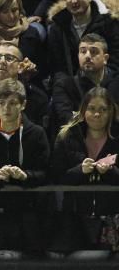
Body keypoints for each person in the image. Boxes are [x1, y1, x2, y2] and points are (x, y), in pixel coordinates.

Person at [0, 79, 50, 251]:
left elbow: (47, 173)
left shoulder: (37, 134)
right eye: (2, 103)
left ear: (23, 105)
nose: (6, 108)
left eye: (13, 103)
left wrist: (26, 176)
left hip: (29, 213)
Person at [51, 88, 119, 250]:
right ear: (83, 111)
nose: (97, 114)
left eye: (103, 109)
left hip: (112, 217)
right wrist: (79, 170)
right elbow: (55, 176)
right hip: (74, 217)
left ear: (111, 111)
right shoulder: (66, 136)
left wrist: (110, 172)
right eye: (92, 109)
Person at [46, 0, 119, 79]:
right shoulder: (57, 27)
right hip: (71, 85)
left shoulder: (109, 23)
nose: (74, 1)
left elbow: (115, 64)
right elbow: (58, 68)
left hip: (104, 82)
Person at [51, 33, 119, 138]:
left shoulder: (116, 83)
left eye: (93, 52)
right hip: (79, 141)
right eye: (83, 51)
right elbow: (67, 120)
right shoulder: (65, 85)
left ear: (105, 58)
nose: (87, 56)